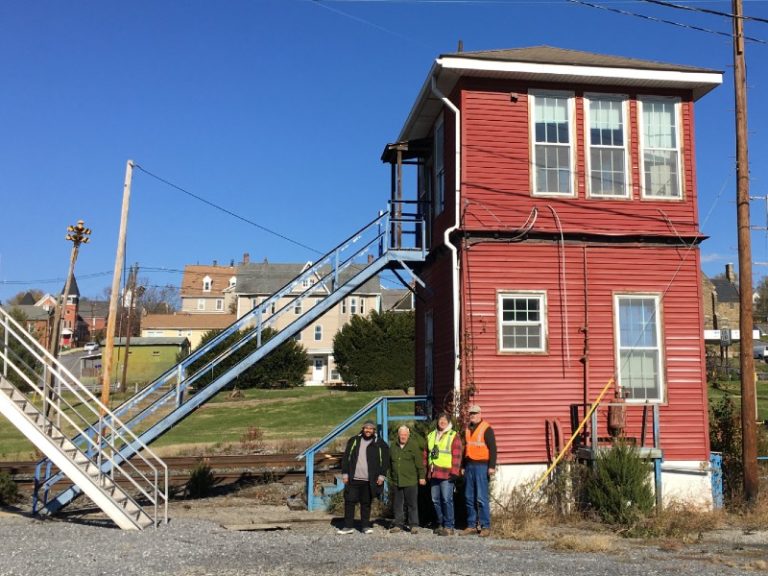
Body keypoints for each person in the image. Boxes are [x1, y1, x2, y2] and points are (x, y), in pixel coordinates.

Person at [338, 420, 389, 534]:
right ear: (362, 429)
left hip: (369, 480)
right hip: (353, 478)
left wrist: (381, 476)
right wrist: (345, 474)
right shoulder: (354, 440)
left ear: (374, 430)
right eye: (366, 428)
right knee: (349, 502)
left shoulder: (379, 443)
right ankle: (348, 526)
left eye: (371, 428)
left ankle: (365, 526)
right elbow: (346, 457)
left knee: (366, 503)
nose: (368, 430)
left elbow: (385, 461)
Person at [461, 404, 497, 537]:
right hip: (469, 465)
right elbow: (466, 449)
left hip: (482, 466)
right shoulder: (467, 429)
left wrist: (491, 466)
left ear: (480, 414)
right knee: (469, 497)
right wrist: (463, 466)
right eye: (471, 414)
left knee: (481, 497)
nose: (473, 416)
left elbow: (493, 448)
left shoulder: (486, 429)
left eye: (475, 413)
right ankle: (471, 525)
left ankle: (485, 526)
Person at [426, 412, 462, 536]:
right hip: (434, 473)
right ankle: (441, 523)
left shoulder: (453, 435)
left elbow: (457, 454)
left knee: (447, 500)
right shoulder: (431, 435)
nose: (442, 422)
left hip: (447, 474)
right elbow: (427, 453)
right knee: (435, 500)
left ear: (448, 422)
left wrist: (455, 472)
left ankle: (449, 526)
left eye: (444, 420)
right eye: (440, 420)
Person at [388, 425, 426, 534]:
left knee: (412, 504)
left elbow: (419, 463)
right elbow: (390, 463)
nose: (403, 437)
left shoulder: (413, 446)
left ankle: (413, 525)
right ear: (398, 435)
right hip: (397, 480)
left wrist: (421, 477)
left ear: (408, 435)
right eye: (401, 435)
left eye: (405, 435)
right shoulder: (393, 446)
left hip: (410, 480)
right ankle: (398, 524)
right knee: (398, 504)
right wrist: (391, 476)